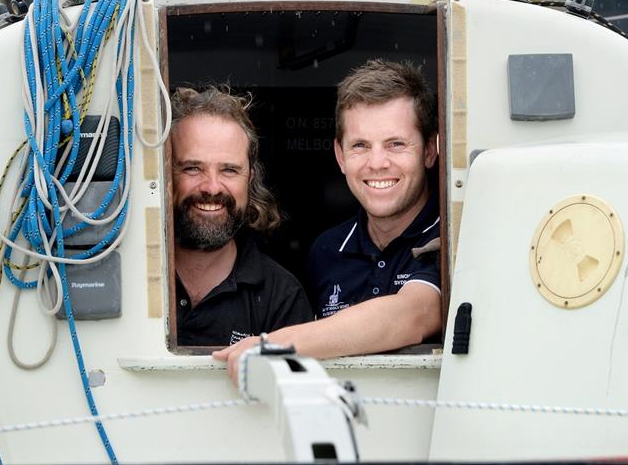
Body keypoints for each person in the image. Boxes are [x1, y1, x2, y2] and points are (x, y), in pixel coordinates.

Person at [214, 60, 441, 380]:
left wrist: (275, 344)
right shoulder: (327, 251)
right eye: (360, 145)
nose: (377, 163)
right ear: (340, 155)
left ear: (430, 149)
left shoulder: (453, 234)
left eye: (396, 144)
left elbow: (414, 314)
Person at [170, 86, 313, 346]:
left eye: (229, 170)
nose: (211, 187)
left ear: (250, 178)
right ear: (166, 173)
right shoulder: (136, 278)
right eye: (192, 168)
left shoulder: (282, 297)